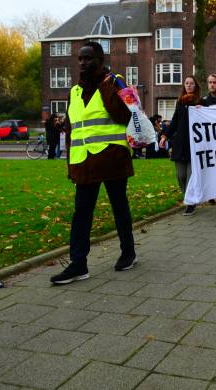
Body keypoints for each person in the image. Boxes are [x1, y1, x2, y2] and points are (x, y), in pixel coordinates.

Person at [50, 41, 136, 285]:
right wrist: (69, 160)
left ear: (100, 60)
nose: (82, 63)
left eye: (87, 58)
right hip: (84, 161)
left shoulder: (116, 82)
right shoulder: (75, 92)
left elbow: (125, 115)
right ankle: (78, 264)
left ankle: (128, 252)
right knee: (81, 213)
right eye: (80, 59)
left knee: (119, 207)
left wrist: (107, 87)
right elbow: (74, 127)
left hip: (112, 158)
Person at [159, 76, 202, 216]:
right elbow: (174, 122)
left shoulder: (200, 102)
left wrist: (202, 110)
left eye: (191, 83)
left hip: (194, 146)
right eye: (187, 83)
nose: (189, 85)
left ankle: (190, 203)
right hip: (180, 145)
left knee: (190, 177)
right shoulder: (180, 103)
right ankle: (187, 196)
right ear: (184, 86)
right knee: (181, 176)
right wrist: (164, 136)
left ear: (195, 86)